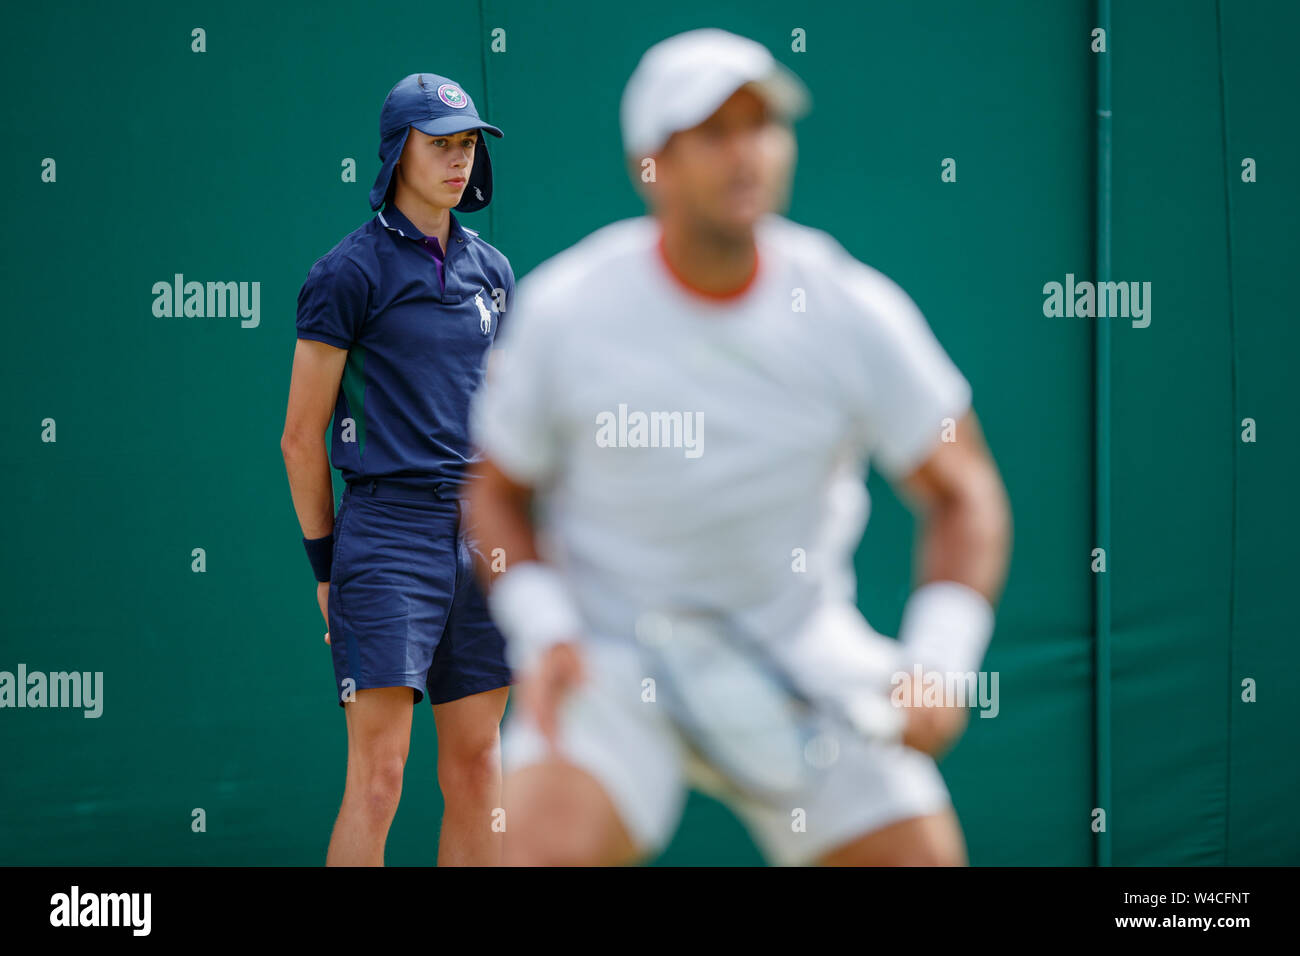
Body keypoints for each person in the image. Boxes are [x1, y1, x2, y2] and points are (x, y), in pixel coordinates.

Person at [465, 29, 1012, 866]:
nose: (747, 153)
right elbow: (495, 486)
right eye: (714, 133)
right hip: (611, 662)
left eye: (764, 127)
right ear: (653, 163)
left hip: (802, 660)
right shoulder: (569, 309)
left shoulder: (850, 309)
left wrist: (939, 660)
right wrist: (543, 627)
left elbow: (963, 486)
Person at [281, 73, 514, 866]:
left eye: (467, 144)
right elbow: (300, 438)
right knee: (379, 782)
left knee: (481, 771)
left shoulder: (494, 272)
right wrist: (325, 565)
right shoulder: (348, 273)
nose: (459, 160)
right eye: (439, 144)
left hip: (483, 537)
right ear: (396, 153)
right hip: (387, 536)